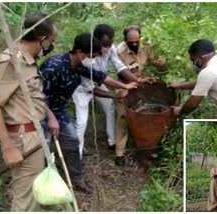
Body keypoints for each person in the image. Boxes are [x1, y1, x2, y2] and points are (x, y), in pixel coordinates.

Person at [40, 33, 138, 194]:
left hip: (59, 110)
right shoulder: (53, 66)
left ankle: (77, 179)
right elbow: (37, 98)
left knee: (72, 142)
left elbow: (101, 77)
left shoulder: (78, 66)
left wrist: (124, 87)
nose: (93, 59)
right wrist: (50, 119)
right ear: (80, 52)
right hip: (41, 111)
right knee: (43, 148)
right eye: (92, 56)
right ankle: (45, 184)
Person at [0, 14, 58, 211]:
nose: (52, 45)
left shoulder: (28, 61)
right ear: (42, 39)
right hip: (22, 139)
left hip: (34, 134)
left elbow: (29, 97)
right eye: (52, 41)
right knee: (25, 201)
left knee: (33, 194)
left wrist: (50, 115)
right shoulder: (11, 61)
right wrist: (7, 147)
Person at [72, 24, 139, 159]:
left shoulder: (110, 49)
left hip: (99, 83)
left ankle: (112, 142)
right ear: (95, 40)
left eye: (110, 44)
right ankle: (77, 154)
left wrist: (138, 80)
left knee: (110, 108)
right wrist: (113, 95)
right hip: (81, 88)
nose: (107, 48)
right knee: (82, 121)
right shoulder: (87, 55)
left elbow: (119, 66)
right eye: (104, 45)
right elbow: (89, 88)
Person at [115, 25, 167, 166]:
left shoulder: (146, 46)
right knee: (123, 117)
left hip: (141, 81)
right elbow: (121, 73)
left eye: (137, 41)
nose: (134, 44)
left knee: (148, 113)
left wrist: (164, 63)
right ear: (125, 41)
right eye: (131, 42)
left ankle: (150, 147)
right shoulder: (119, 51)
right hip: (124, 83)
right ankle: (120, 153)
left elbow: (154, 60)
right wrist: (129, 85)